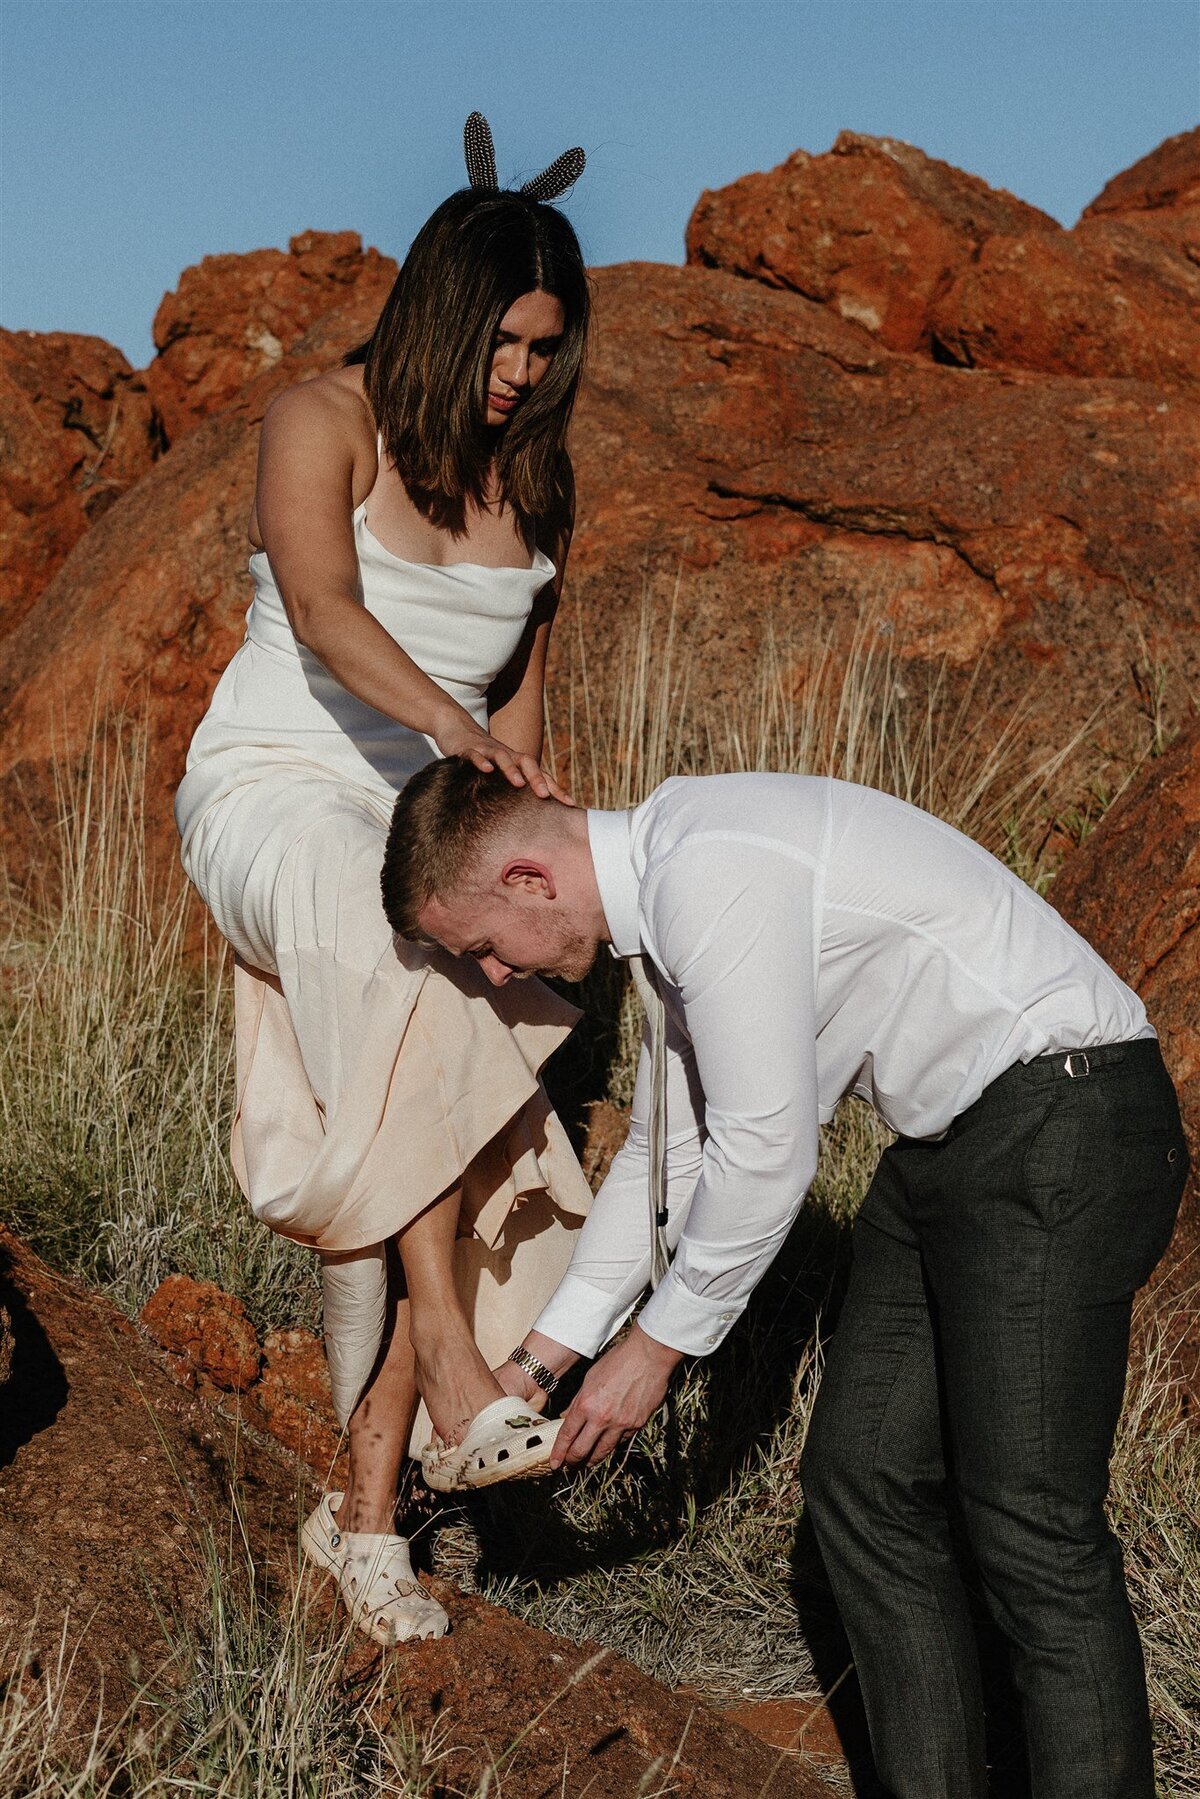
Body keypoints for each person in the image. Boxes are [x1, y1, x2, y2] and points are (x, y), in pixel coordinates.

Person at [380, 757, 1187, 1799]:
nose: (495, 975)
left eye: (483, 947)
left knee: (1030, 1523)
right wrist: (541, 1360)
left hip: (1063, 1118)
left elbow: (764, 1153)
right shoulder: (672, 883)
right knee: (864, 1483)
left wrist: (655, 1348)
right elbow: (670, 1152)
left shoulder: (708, 869)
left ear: (531, 878)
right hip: (952, 1143)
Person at [173, 117, 595, 1647]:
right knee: (415, 958)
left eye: (548, 348)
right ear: (439, 306)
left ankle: (364, 1516)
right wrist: (454, 734)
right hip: (278, 795)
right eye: (504, 338)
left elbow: (530, 746)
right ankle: (446, 1350)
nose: (523, 373)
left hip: (426, 839)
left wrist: (544, 874)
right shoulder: (322, 418)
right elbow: (323, 605)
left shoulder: (536, 496)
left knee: (491, 1028)